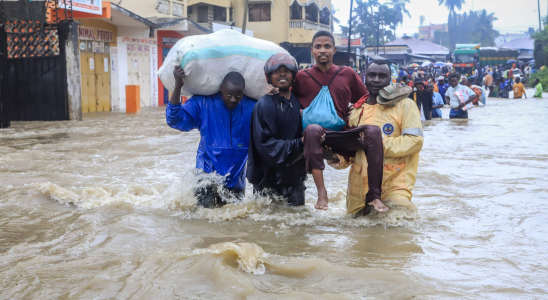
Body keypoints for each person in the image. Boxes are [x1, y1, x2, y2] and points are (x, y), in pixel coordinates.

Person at [266, 31, 385, 212]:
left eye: (327, 46)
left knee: (374, 132)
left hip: (342, 135)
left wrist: (358, 108)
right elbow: (287, 94)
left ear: (334, 50)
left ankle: (374, 195)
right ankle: (322, 192)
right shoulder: (301, 76)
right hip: (315, 137)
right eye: (318, 46)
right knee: (313, 129)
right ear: (312, 50)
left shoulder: (348, 74)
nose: (323, 50)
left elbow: (366, 99)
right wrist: (274, 90)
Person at [324, 60, 424, 215]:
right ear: (365, 77)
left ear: (390, 79)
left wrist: (376, 143)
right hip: (357, 192)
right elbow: (351, 154)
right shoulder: (355, 110)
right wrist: (336, 158)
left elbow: (415, 142)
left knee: (397, 225)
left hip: (394, 186)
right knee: (360, 235)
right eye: (372, 75)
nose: (376, 80)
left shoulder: (405, 105)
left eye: (382, 76)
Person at [166, 66, 256, 208]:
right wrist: (178, 86)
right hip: (206, 176)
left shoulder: (252, 107)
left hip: (236, 180)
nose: (233, 99)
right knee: (204, 220)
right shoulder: (203, 103)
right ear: (221, 88)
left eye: (238, 96)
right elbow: (174, 119)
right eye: (229, 95)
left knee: (234, 224)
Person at [247, 53, 307, 206]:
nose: (282, 74)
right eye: (276, 71)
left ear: (294, 76)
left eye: (286, 71)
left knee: (298, 225)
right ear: (268, 77)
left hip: (295, 181)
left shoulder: (299, 102)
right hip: (267, 181)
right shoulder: (264, 106)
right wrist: (300, 143)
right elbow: (267, 147)